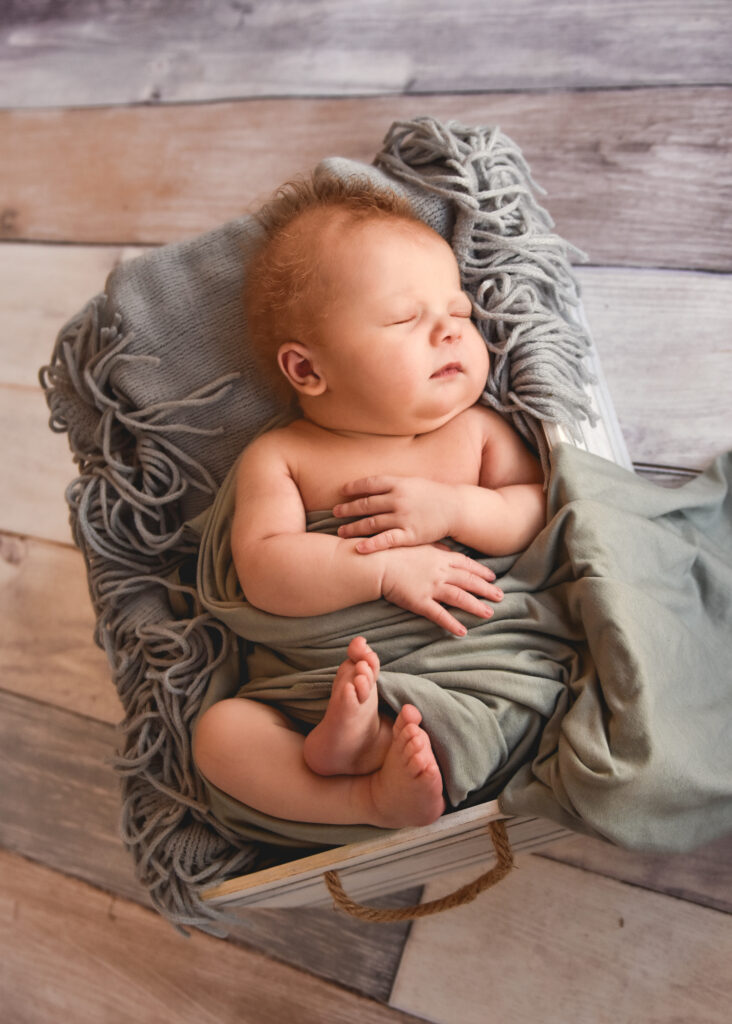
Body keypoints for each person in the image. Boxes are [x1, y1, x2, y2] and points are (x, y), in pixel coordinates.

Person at [193, 175, 545, 831]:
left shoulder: (476, 434)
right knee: (220, 734)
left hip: (470, 666)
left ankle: (373, 749)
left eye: (459, 314)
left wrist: (456, 510)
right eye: (406, 319)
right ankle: (362, 795)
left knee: (536, 688)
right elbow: (265, 570)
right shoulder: (284, 457)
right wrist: (385, 570)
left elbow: (538, 512)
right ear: (308, 371)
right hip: (319, 685)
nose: (448, 333)